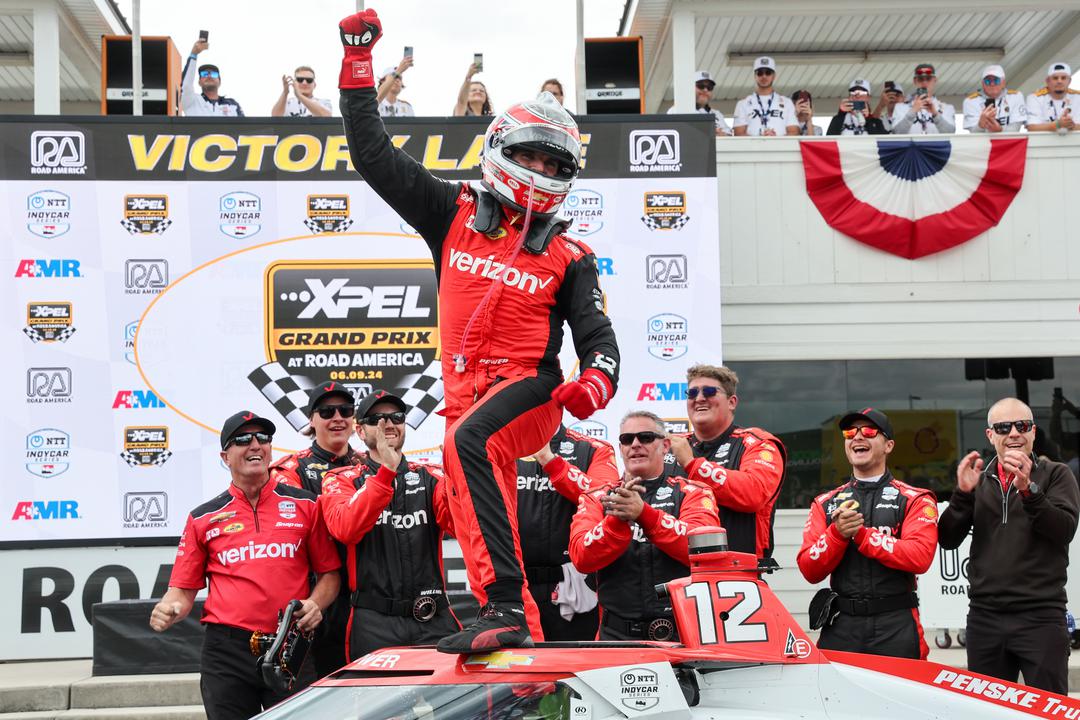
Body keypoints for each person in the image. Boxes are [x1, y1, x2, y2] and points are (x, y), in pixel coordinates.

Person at [337, 9, 620, 653]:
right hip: (465, 395)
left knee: (470, 440)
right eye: (528, 155)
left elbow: (600, 342)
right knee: (467, 486)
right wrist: (358, 62)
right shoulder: (452, 213)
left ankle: (506, 607)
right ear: (499, 150)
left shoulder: (571, 255)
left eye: (552, 163)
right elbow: (372, 155)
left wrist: (591, 387)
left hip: (532, 389)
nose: (539, 169)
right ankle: (513, 624)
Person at [149, 411, 340, 720]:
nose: (255, 445)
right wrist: (169, 607)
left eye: (262, 438)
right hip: (227, 652)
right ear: (225, 457)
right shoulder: (203, 517)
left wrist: (315, 604)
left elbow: (330, 574)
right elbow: (181, 592)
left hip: (289, 643)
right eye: (242, 440)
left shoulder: (306, 504)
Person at [938, 398, 1080, 693]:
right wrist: (962, 495)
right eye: (1004, 427)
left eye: (1022, 426)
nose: (1014, 433)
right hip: (985, 617)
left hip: (1041, 617)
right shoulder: (978, 480)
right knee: (987, 711)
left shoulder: (1056, 474)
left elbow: (1063, 530)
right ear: (990, 435)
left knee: (1047, 709)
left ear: (1033, 432)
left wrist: (1029, 491)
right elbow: (947, 539)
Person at [319, 390, 461, 659]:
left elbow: (458, 525)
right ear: (360, 431)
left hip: (432, 617)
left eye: (396, 417)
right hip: (375, 622)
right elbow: (346, 528)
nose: (388, 424)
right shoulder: (341, 478)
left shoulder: (430, 475)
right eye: (377, 419)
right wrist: (385, 473)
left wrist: (457, 477)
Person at [796, 408, 937, 659]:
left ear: (888, 445)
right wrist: (836, 534)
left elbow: (920, 557)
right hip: (841, 625)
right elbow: (809, 569)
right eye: (850, 432)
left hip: (896, 624)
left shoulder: (915, 499)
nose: (858, 437)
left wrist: (862, 536)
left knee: (903, 687)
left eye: (870, 431)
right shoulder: (825, 503)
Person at [568, 411, 719, 641]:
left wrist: (645, 515)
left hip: (684, 632)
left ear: (665, 446)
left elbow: (701, 552)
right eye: (627, 439)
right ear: (621, 448)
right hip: (616, 636)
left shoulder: (694, 492)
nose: (635, 444)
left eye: (646, 437)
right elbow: (581, 557)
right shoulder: (596, 497)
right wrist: (616, 521)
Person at [269, 381, 363, 676]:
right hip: (317, 597)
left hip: (367, 597)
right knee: (321, 687)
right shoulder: (289, 470)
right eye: (327, 412)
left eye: (345, 411)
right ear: (311, 419)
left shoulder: (370, 464)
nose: (337, 418)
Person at [665, 364, 785, 558]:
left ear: (732, 402)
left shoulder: (757, 443)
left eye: (709, 392)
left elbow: (754, 493)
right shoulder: (669, 446)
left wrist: (693, 465)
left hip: (736, 569)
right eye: (692, 393)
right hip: (676, 569)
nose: (699, 398)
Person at [516, 424, 619, 640]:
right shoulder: (501, 447)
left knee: (576, 660)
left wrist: (551, 462)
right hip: (515, 586)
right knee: (517, 661)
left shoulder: (593, 449)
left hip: (574, 588)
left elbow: (606, 499)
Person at [732, 56, 798, 136]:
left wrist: (776, 139)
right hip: (753, 144)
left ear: (774, 76)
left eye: (768, 72)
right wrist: (759, 139)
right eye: (760, 73)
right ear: (755, 76)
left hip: (779, 144)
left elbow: (794, 131)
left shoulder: (787, 102)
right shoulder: (743, 104)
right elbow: (739, 133)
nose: (764, 76)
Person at [181, 37, 244, 117]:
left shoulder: (232, 105)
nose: (209, 76)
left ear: (219, 82)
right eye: (204, 74)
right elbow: (186, 85)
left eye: (214, 74)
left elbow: (244, 124)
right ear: (199, 82)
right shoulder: (191, 101)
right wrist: (194, 54)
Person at [891, 63, 955, 134]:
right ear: (915, 81)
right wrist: (913, 111)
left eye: (928, 79)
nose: (924, 82)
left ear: (935, 80)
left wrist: (935, 113)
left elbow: (950, 132)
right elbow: (897, 132)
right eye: (920, 79)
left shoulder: (946, 108)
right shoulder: (900, 107)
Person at [962, 65, 1026, 133]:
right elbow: (973, 132)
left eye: (996, 80)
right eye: (987, 81)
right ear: (983, 84)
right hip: (983, 140)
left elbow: (1016, 128)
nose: (992, 84)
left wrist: (1000, 130)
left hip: (1008, 140)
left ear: (1003, 83)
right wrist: (980, 125)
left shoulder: (1015, 97)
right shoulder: (971, 101)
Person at [667, 71, 731, 136]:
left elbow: (730, 136)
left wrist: (722, 135)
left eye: (709, 87)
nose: (705, 90)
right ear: (690, 88)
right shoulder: (677, 110)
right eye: (701, 86)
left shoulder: (717, 114)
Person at [1026, 62, 1080, 133]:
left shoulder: (1078, 97)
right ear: (1047, 81)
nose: (1059, 81)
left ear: (1069, 81)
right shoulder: (1034, 98)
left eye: (1063, 78)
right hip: (1044, 140)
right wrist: (1058, 125)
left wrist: (1071, 126)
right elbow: (1031, 127)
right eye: (1055, 78)